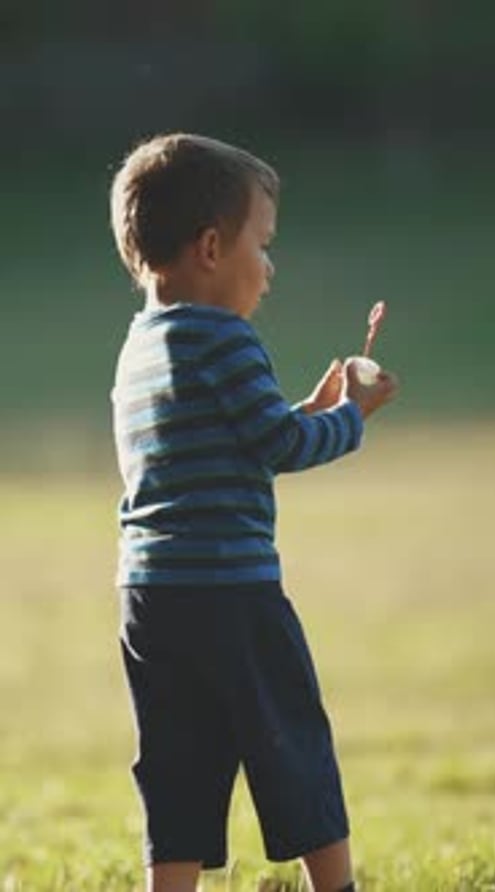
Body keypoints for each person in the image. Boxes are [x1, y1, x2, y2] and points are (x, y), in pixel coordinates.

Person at [110, 133, 398, 892]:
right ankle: (335, 886)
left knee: (175, 756)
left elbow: (225, 440)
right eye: (262, 245)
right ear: (212, 247)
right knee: (290, 739)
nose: (269, 269)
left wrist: (302, 407)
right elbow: (280, 445)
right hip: (232, 594)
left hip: (148, 598)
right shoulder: (228, 336)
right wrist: (354, 415)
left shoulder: (140, 347)